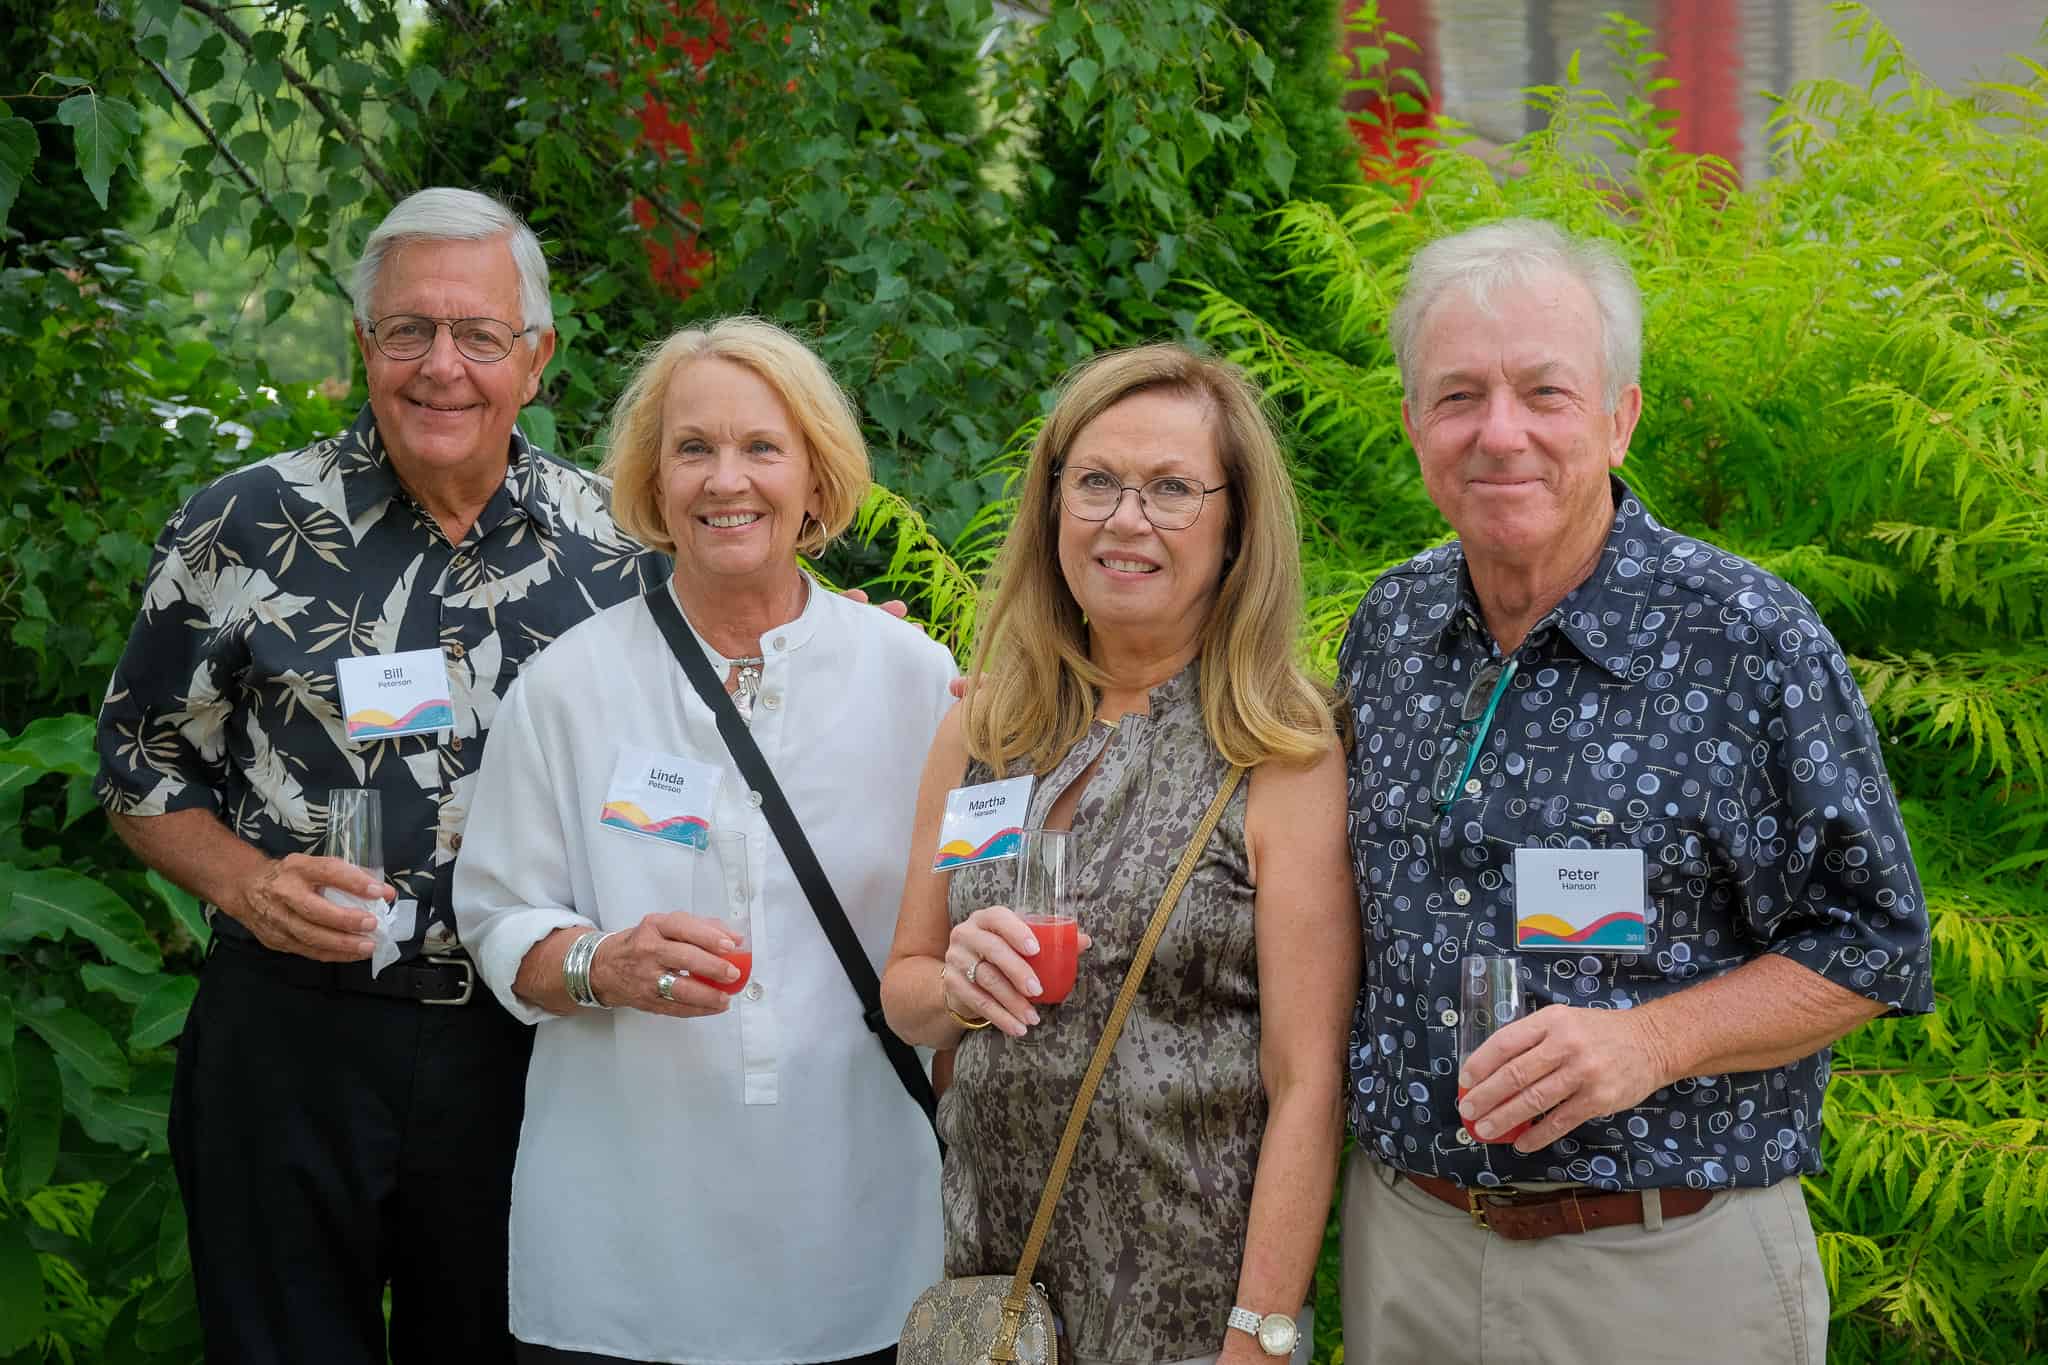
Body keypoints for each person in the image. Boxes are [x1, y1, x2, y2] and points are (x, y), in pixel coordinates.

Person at [1335, 218, 1933, 1363]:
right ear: (1412, 424)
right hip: (1406, 1254)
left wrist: (1650, 1042)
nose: (1497, 432)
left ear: (1618, 418)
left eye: (1543, 393)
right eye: (1457, 396)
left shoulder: (1744, 638)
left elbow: (1873, 942)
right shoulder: (1389, 630)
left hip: (1661, 1270)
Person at [92, 188, 669, 1362]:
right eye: (409, 330)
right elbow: (141, 765)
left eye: (478, 334)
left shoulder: (623, 548)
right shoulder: (243, 525)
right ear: (365, 345)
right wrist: (247, 886)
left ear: (537, 359)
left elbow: (727, 721)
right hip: (292, 1037)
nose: (440, 366)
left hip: (535, 1047)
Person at [452, 316, 956, 1365]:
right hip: (624, 1251)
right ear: (652, 479)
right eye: (693, 449)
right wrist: (600, 963)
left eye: (762, 447)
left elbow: (967, 932)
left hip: (864, 1235)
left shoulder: (915, 678)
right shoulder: (567, 686)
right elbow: (497, 919)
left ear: (816, 477)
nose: (727, 480)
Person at [881, 344, 1359, 1365]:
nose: (1125, 520)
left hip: (1190, 1317)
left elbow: (1306, 1081)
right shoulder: (985, 729)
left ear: (1235, 527)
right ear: (1052, 505)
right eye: (1095, 481)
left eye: (1172, 489)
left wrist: (1260, 1335)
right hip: (996, 1304)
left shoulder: (1277, 752)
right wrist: (957, 987)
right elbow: (906, 989)